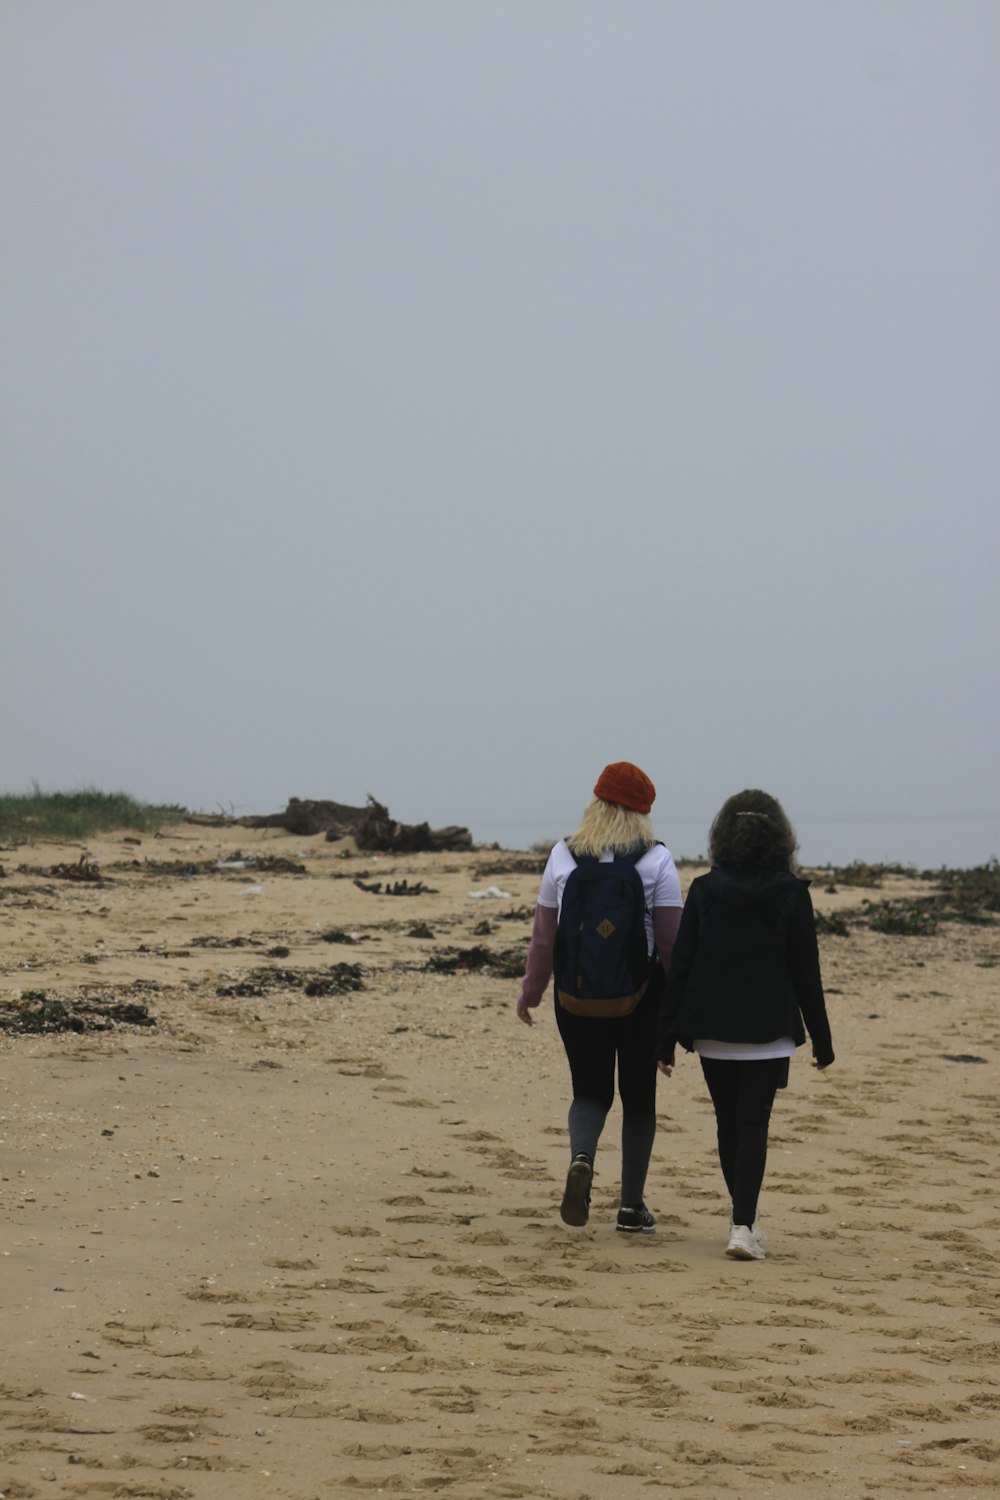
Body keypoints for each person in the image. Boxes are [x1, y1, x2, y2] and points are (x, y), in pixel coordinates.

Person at [655, 788, 835, 1261]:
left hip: (712, 1028)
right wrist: (822, 1037)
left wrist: (667, 1035)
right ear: (779, 838)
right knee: (753, 1122)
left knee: (727, 1123)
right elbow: (806, 971)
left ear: (723, 836)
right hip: (769, 1029)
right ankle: (741, 1225)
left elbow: (683, 966)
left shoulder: (704, 889)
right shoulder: (792, 893)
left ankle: (745, 1219)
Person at [516, 762, 683, 1232]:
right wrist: (676, 1013)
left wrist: (530, 991)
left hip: (576, 998)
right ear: (642, 812)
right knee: (639, 1099)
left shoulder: (563, 856)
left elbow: (544, 940)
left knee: (589, 1091)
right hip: (641, 998)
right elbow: (671, 946)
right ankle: (631, 1207)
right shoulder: (657, 860)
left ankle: (583, 1158)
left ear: (595, 802)